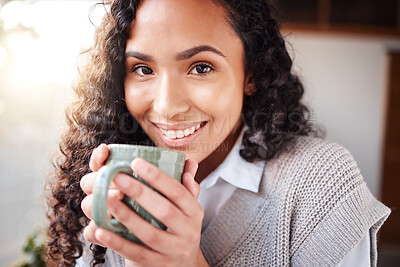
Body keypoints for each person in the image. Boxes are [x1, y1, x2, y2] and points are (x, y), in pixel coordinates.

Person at [46, 0, 391, 266]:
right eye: (143, 69)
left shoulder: (320, 186)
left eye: (200, 67)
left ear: (250, 74)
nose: (166, 107)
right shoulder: (102, 178)